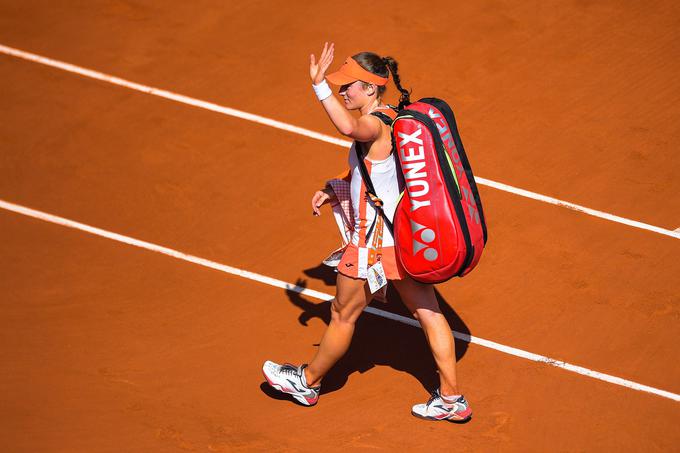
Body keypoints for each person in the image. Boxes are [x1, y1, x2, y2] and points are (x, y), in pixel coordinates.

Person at [262, 42, 472, 423]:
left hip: (371, 246)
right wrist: (336, 186)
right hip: (401, 240)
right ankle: (451, 398)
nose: (344, 92)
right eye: (340, 87)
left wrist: (318, 87)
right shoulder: (396, 117)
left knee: (342, 314)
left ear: (372, 88)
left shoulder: (373, 124)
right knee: (429, 311)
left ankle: (307, 382)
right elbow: (376, 173)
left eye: (349, 86)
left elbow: (347, 126)